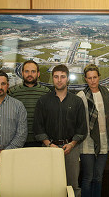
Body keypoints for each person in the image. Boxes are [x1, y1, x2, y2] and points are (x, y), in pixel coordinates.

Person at [33, 64, 87, 197]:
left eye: (62, 77)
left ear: (67, 79)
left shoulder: (77, 101)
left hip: (71, 149)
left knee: (73, 186)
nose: (59, 80)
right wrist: (49, 144)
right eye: (56, 77)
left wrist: (72, 144)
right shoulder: (43, 101)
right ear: (52, 79)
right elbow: (38, 127)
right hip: (48, 149)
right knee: (48, 185)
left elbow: (82, 128)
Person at [77, 64, 109, 197]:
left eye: (95, 77)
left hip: (104, 141)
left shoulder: (108, 93)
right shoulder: (81, 95)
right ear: (85, 79)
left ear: (99, 77)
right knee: (88, 177)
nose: (92, 80)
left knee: (98, 177)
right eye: (89, 78)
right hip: (87, 141)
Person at [9, 60, 50, 147]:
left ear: (38, 74)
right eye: (27, 71)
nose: (30, 74)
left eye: (33, 71)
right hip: (18, 142)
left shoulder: (46, 92)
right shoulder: (13, 93)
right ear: (22, 73)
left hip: (41, 141)